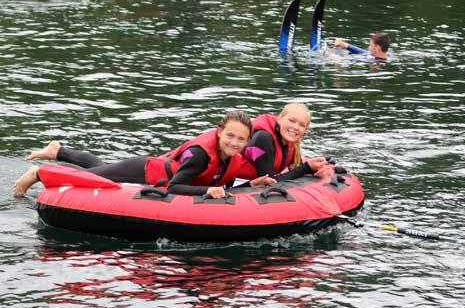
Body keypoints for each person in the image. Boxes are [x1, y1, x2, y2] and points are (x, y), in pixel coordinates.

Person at [13, 110, 274, 199]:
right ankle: (39, 173)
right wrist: (205, 192)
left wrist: (251, 184)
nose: (235, 142)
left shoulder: (233, 157)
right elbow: (174, 187)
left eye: (241, 139)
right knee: (96, 177)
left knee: (101, 166)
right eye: (230, 136)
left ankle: (57, 150)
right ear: (219, 132)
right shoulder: (199, 155)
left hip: (156, 169)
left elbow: (221, 182)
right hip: (145, 171)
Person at [237, 103, 331, 182]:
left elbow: (295, 169)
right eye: (291, 121)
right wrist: (307, 168)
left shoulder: (292, 143)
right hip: (231, 181)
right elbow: (268, 182)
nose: (295, 127)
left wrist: (316, 168)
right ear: (280, 118)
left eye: (301, 125)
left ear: (305, 130)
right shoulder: (263, 138)